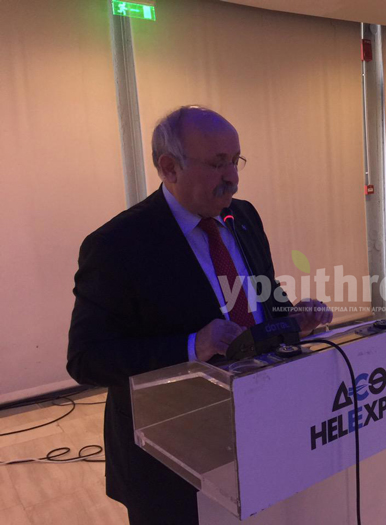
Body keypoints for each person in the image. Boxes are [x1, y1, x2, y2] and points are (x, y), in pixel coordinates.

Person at [67, 106, 332, 524]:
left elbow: (262, 297)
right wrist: (193, 345)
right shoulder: (117, 244)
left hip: (259, 428)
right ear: (169, 167)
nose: (233, 177)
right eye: (217, 163)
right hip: (169, 456)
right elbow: (86, 359)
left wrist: (290, 320)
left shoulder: (243, 216)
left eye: (236, 160)